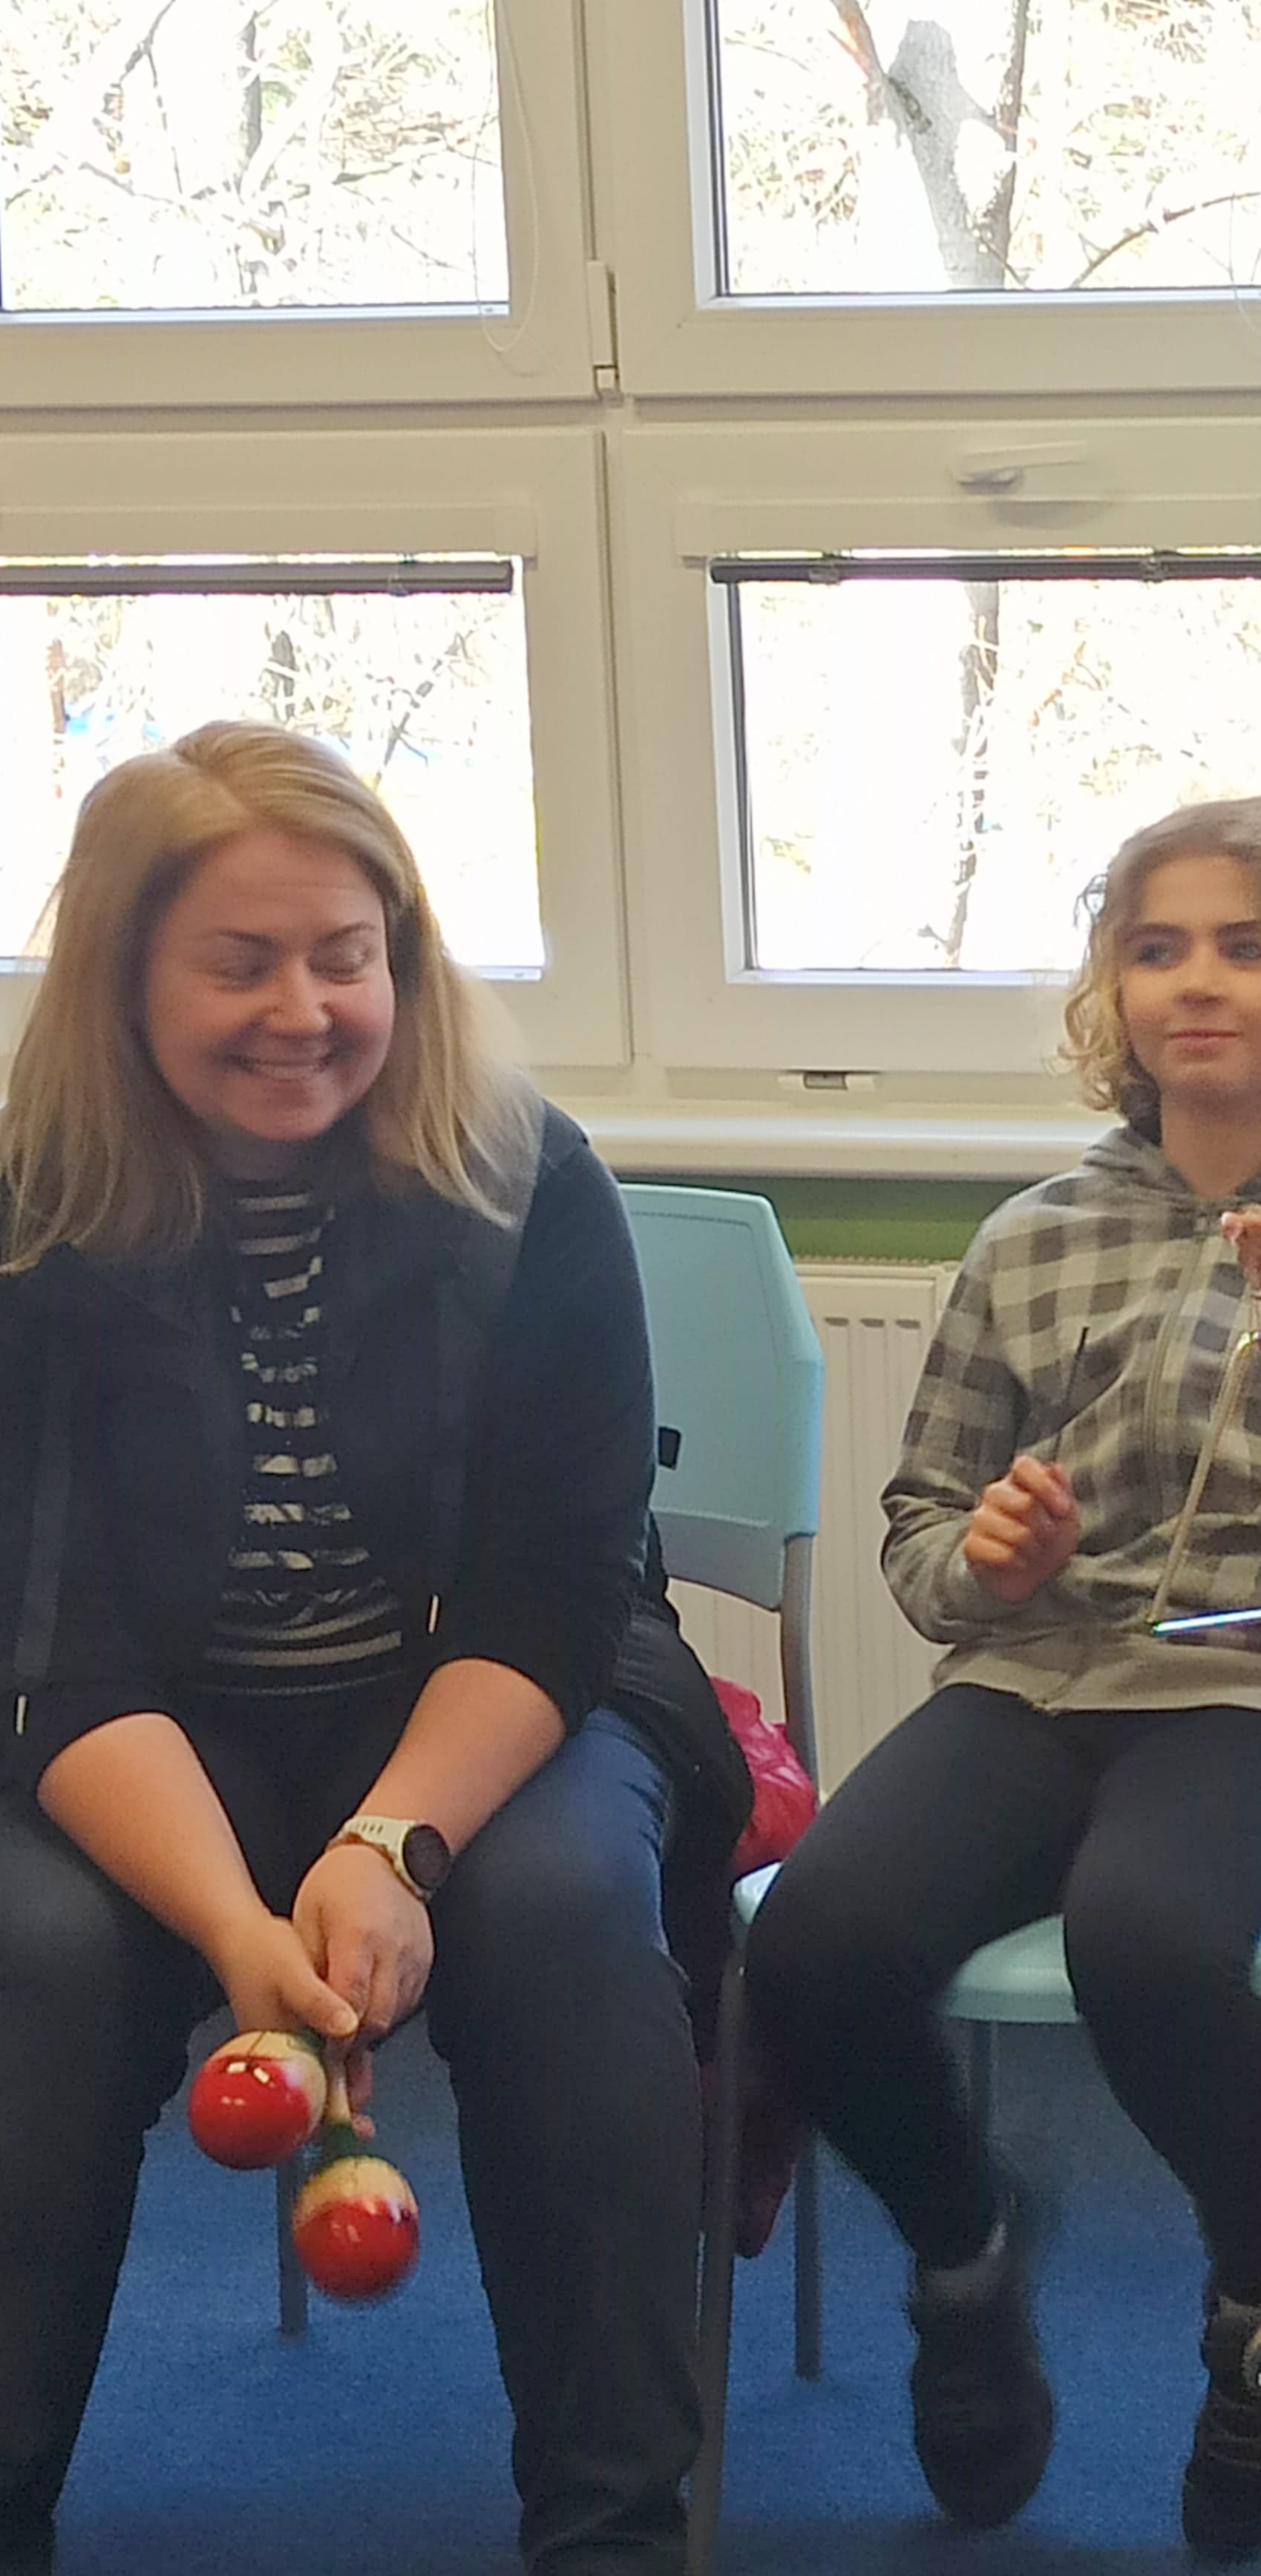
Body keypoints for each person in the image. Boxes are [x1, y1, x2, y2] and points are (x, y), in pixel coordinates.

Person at [742, 794, 1261, 2560]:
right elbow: (921, 1530)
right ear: (1113, 991)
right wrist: (987, 1555)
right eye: (1156, 948)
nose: (1197, 982)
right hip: (1031, 1677)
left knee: (1146, 1934)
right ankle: (966, 2252)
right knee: (812, 1939)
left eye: (1246, 943)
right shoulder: (1032, 1233)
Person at [0, 721, 719, 2576]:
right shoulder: (31, 1212)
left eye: (346, 954)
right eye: (238, 962)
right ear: (126, 978)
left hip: (485, 1702)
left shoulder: (526, 1176)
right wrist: (238, 1923)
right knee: (39, 1961)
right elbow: (52, 1639)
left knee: (563, 1917)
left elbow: (555, 1588)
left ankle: (615, 2531)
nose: (303, 1009)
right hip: (141, 1733)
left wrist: (392, 1840)